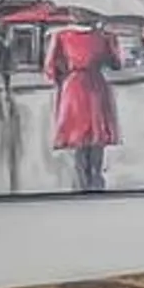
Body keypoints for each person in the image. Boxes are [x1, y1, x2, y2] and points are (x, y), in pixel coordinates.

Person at [45, 15, 123, 192]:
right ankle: (95, 180)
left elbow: (50, 69)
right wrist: (110, 40)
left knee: (78, 137)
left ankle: (82, 183)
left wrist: (64, 77)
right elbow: (116, 64)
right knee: (97, 135)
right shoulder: (103, 37)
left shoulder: (61, 36)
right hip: (96, 86)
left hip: (73, 87)